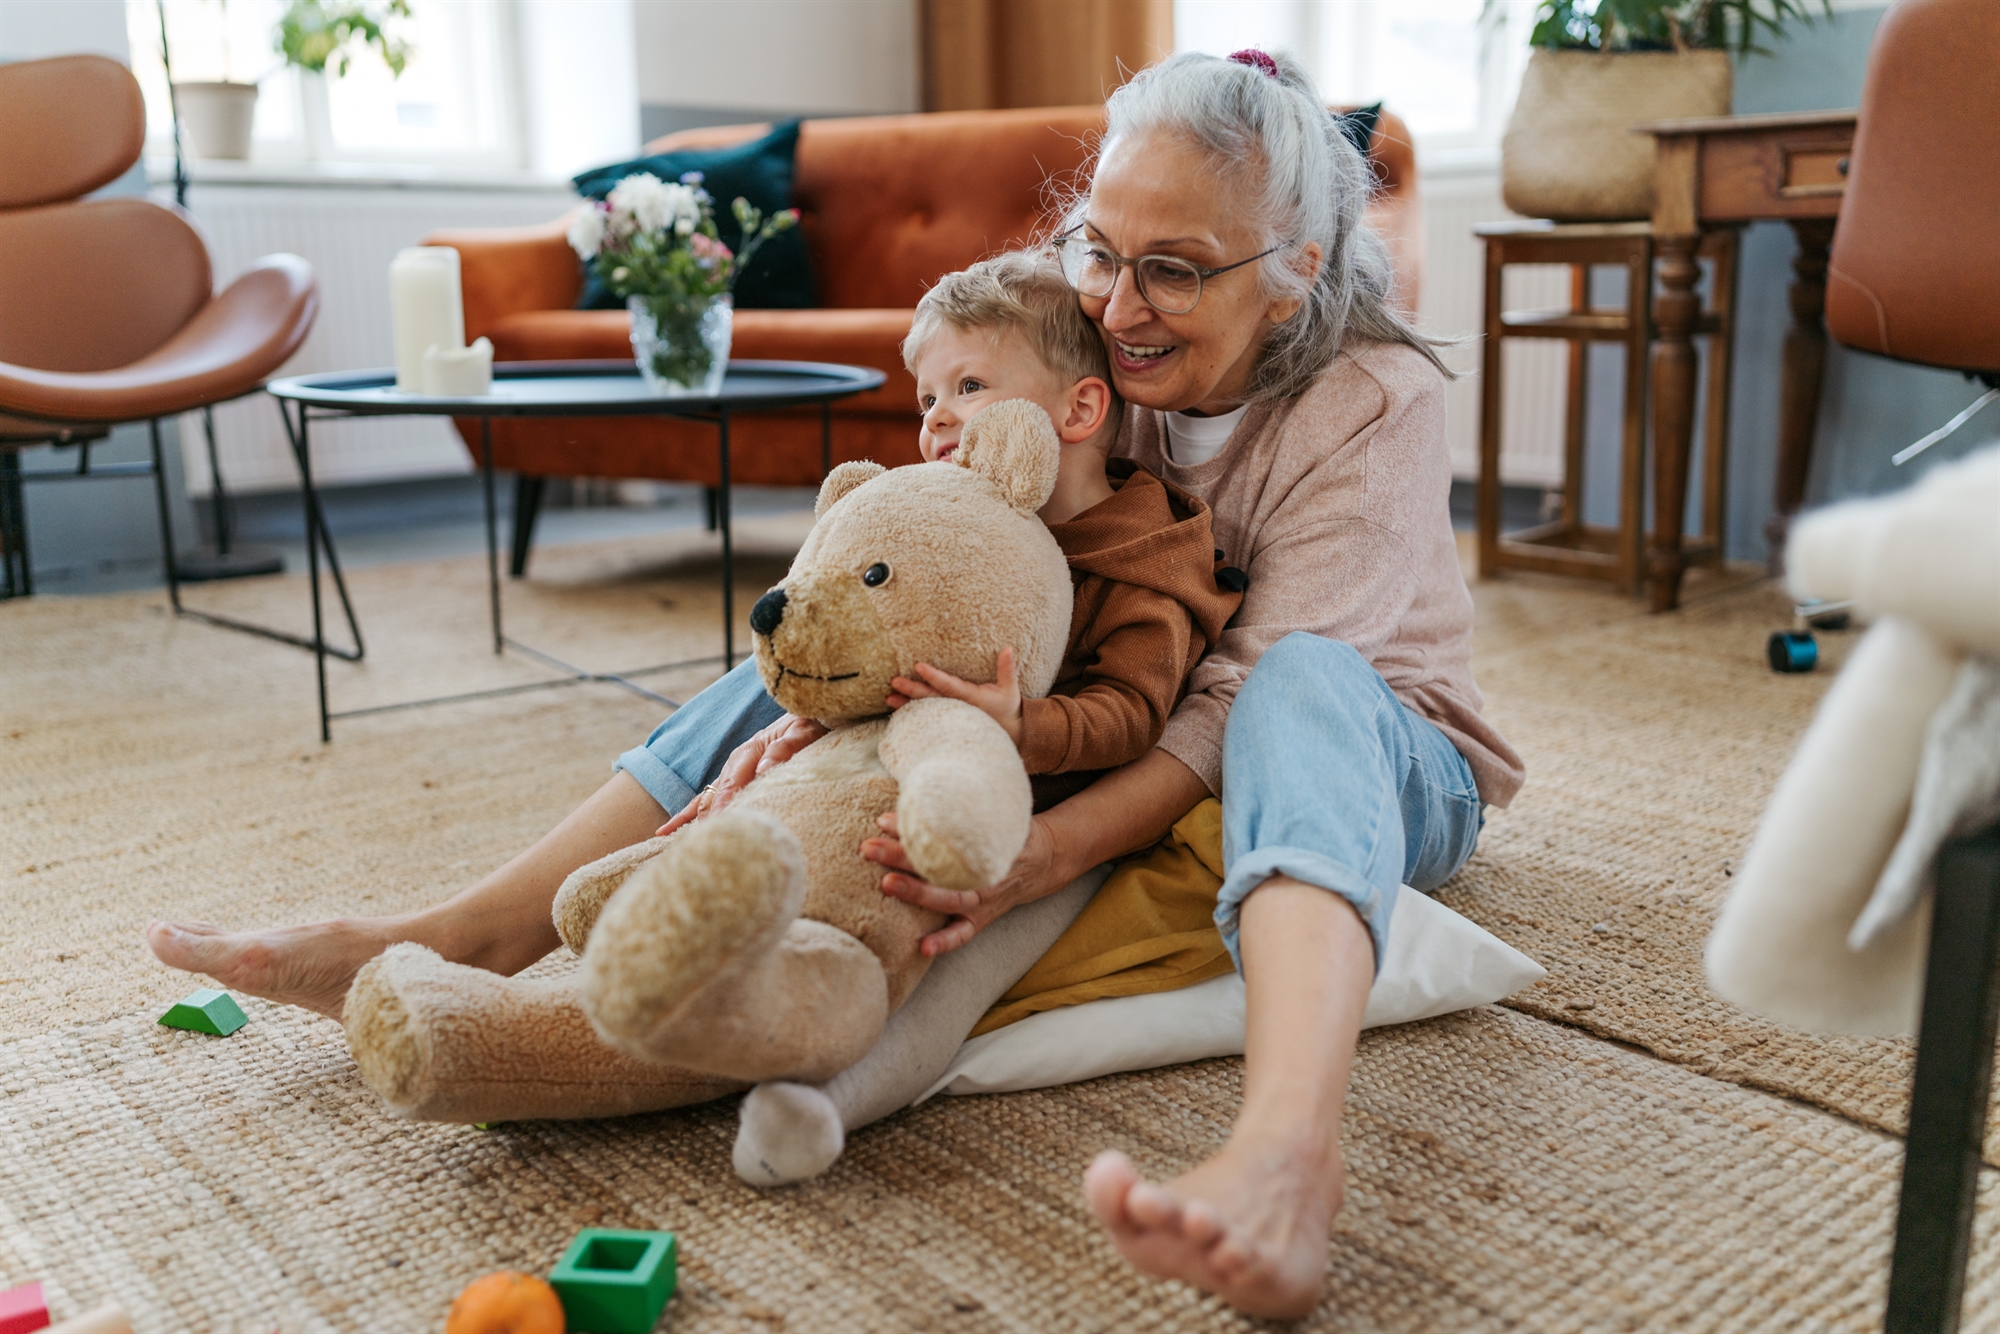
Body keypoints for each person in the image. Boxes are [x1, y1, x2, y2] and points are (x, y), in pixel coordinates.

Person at [149, 48, 1522, 1320]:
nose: (1119, 303)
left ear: (1295, 267)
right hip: (1101, 702)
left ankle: (1285, 1150)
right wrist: (811, 717)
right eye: (1098, 249)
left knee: (1304, 687)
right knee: (842, 628)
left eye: (1173, 267)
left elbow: (1231, 695)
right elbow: (950, 560)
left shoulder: (1366, 400)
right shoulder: (1095, 342)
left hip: (1366, 748)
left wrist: (1038, 852)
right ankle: (471, 932)